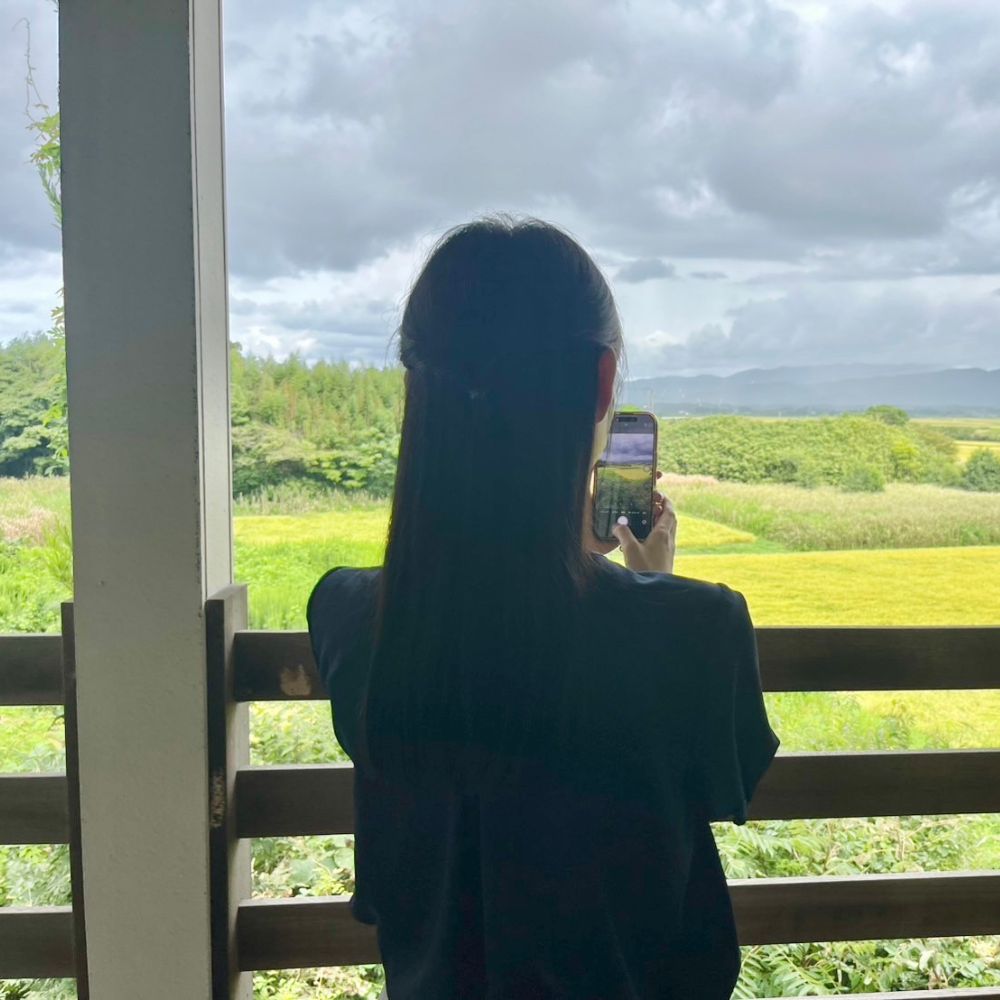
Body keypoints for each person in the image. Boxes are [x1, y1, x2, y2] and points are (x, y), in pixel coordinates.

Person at [307, 215, 779, 1000]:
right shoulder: (698, 627)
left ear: (416, 385)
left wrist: (581, 561)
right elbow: (721, 787)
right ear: (603, 382)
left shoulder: (346, 615)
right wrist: (651, 583)